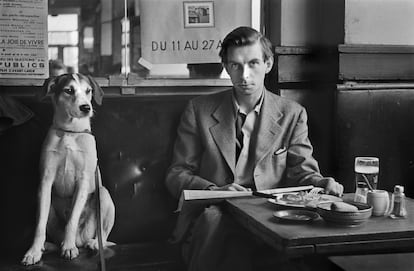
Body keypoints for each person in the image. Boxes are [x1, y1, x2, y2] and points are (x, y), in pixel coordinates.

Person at [165, 26, 343, 271]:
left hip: (268, 217)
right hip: (216, 212)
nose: (244, 75)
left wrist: (322, 183)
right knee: (219, 225)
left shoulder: (292, 114)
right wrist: (216, 190)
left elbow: (302, 173)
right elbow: (177, 174)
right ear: (226, 67)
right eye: (235, 65)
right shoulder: (199, 110)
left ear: (268, 64)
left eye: (253, 63)